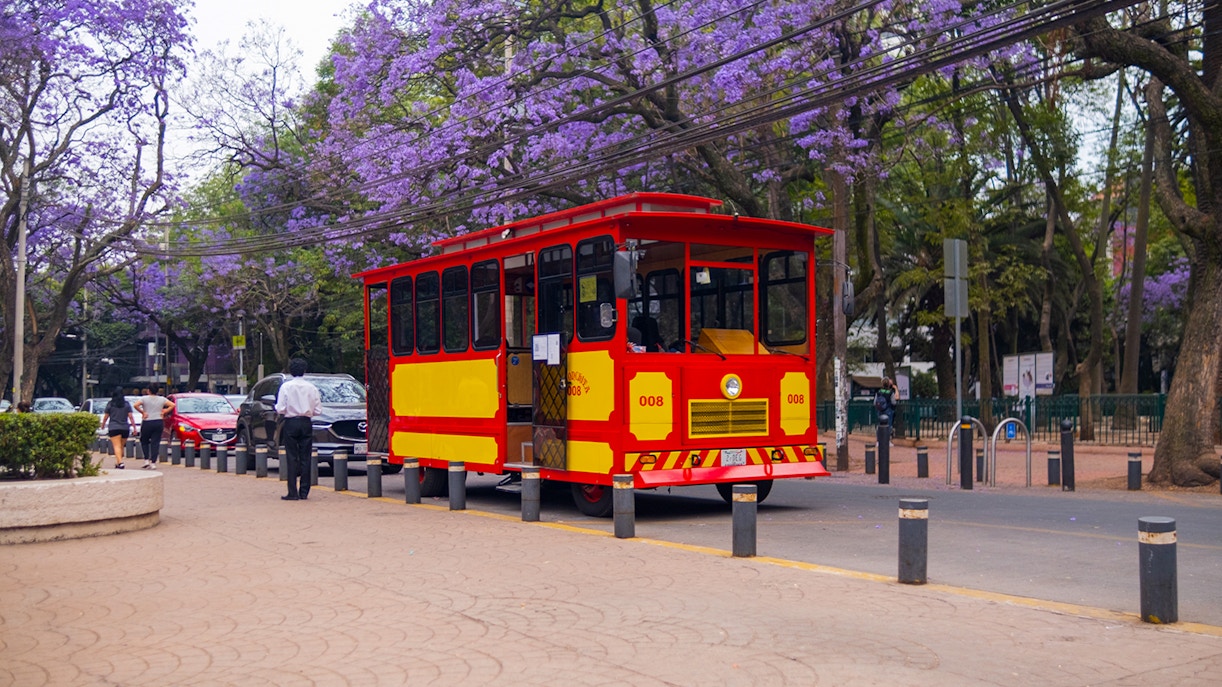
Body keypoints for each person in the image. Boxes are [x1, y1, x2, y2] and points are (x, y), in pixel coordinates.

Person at [274, 358, 322, 501]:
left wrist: (277, 408)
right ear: (304, 371)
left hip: (291, 422)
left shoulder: (286, 387)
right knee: (306, 457)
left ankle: (292, 492)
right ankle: (304, 491)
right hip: (306, 422)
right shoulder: (311, 387)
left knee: (291, 457)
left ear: (290, 370)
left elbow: (281, 408)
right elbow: (318, 410)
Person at [134, 384, 175, 469]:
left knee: (144, 440)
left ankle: (146, 460)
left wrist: (143, 412)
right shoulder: (162, 399)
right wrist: (164, 411)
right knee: (155, 442)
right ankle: (153, 462)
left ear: (148, 391)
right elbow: (172, 405)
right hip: (158, 421)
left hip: (147, 421)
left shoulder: (144, 398)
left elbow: (135, 405)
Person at [101, 387, 137, 469]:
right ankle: (118, 463)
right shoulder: (126, 404)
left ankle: (120, 463)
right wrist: (134, 428)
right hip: (125, 428)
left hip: (114, 427)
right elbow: (131, 417)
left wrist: (103, 425)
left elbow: (106, 417)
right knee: (120, 446)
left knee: (117, 446)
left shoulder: (110, 404)